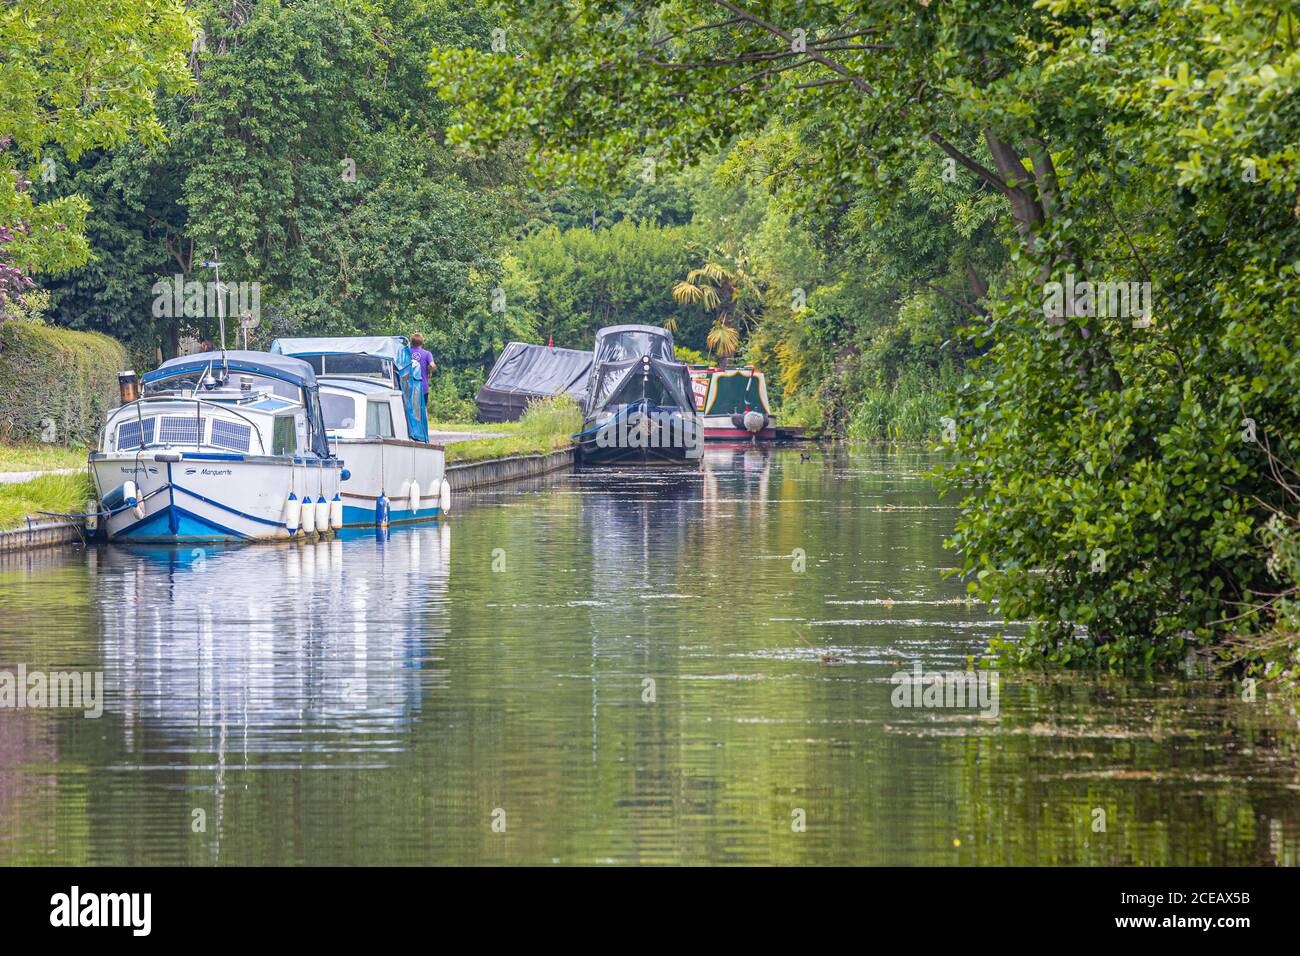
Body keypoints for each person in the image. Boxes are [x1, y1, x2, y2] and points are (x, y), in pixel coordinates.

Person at [409, 333, 436, 401]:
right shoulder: (427, 354)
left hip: (409, 386)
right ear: (422, 342)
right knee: (423, 408)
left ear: (412, 342)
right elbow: (432, 365)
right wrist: (430, 371)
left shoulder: (406, 352)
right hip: (423, 387)